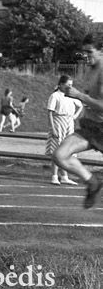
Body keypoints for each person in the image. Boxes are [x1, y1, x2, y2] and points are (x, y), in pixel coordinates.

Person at [53, 35, 103, 208]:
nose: (86, 56)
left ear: (100, 50)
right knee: (60, 155)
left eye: (90, 52)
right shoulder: (91, 69)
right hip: (92, 126)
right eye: (84, 52)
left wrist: (80, 96)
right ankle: (92, 182)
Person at [46, 75, 83, 186]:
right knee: (56, 150)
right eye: (68, 85)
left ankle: (65, 177)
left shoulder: (71, 96)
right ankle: (54, 176)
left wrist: (75, 116)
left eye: (71, 85)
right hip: (58, 122)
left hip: (69, 123)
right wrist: (53, 129)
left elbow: (81, 106)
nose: (70, 87)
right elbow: (50, 113)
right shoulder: (55, 96)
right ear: (61, 84)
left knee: (67, 150)